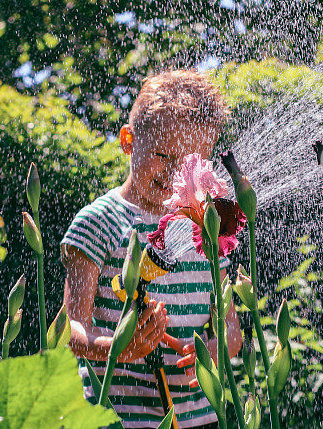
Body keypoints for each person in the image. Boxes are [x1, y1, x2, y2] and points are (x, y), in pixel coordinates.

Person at [61, 70, 243, 428]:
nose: (175, 173)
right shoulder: (98, 221)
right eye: (162, 154)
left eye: (190, 164)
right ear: (128, 140)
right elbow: (72, 329)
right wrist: (118, 348)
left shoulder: (206, 225)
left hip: (200, 418)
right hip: (119, 419)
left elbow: (232, 325)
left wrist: (218, 350)